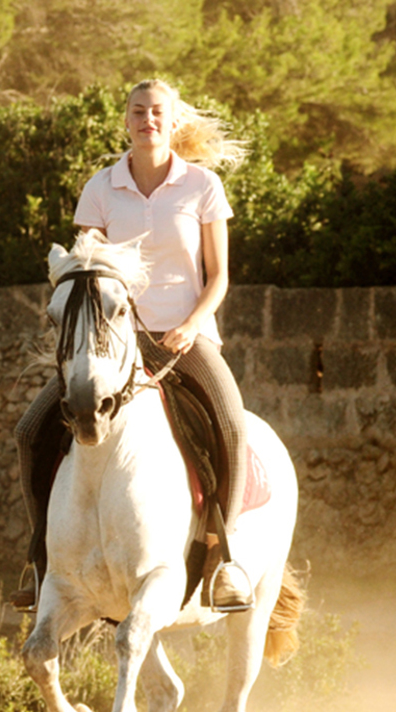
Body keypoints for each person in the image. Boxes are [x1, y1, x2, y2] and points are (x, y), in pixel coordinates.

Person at [13, 78, 253, 613]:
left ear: (173, 122)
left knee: (232, 427)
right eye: (138, 111)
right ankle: (40, 558)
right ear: (126, 121)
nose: (148, 119)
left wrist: (192, 325)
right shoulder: (101, 188)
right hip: (110, 345)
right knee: (31, 431)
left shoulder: (203, 186)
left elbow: (219, 277)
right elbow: (82, 270)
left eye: (157, 112)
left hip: (183, 338)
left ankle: (225, 560)